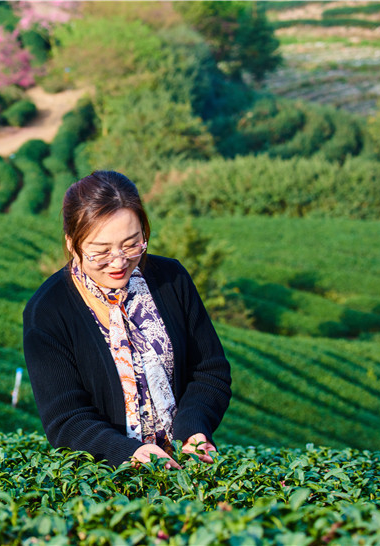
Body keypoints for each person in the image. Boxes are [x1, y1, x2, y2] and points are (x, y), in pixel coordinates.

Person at [23, 171, 231, 469]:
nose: (119, 262)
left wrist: (194, 431)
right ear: (72, 244)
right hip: (104, 480)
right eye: (101, 252)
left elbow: (209, 371)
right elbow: (66, 419)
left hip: (188, 470)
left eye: (132, 244)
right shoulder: (48, 311)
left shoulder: (170, 280)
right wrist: (128, 452)